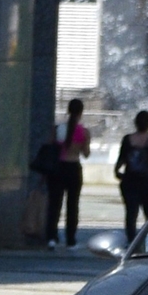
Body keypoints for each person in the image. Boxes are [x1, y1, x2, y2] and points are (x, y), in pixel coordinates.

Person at [114, 110, 148, 241]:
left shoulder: (127, 139)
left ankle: (131, 242)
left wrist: (118, 173)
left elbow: (120, 161)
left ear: (135, 123)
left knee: (131, 214)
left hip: (130, 182)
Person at [49, 97, 90, 248]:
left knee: (54, 204)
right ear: (81, 112)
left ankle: (51, 237)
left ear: (68, 110)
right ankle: (70, 239)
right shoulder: (83, 132)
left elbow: (50, 148)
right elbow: (86, 153)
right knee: (73, 205)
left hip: (58, 169)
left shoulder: (57, 129)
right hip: (73, 168)